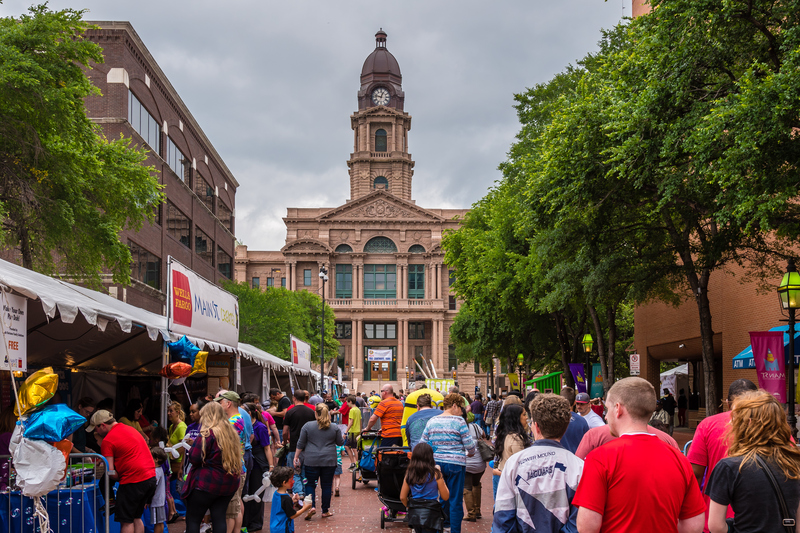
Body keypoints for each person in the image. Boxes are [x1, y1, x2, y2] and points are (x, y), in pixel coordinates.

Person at [573, 377, 705, 533]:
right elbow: (694, 526)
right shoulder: (679, 459)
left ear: (618, 409)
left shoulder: (599, 458)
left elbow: (587, 527)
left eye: (607, 410)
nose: (606, 417)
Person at [705, 390, 800, 533]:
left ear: (748, 423)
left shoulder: (729, 467)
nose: (730, 423)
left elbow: (716, 526)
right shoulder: (793, 461)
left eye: (735, 418)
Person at [493, 394, 584, 533]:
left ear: (536, 426)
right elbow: (578, 520)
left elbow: (503, 516)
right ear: (565, 428)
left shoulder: (514, 463)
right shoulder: (578, 466)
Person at [687, 378, 758, 533]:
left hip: (716, 517)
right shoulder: (774, 426)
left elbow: (695, 474)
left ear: (727, 403)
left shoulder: (708, 425)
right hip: (762, 519)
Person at [87, 409, 156, 533]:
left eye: (95, 428)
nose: (95, 432)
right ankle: (111, 502)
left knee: (126, 521)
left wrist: (120, 477)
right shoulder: (130, 429)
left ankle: (111, 503)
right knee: (136, 517)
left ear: (102, 425)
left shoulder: (108, 440)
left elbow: (110, 472)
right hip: (150, 478)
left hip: (133, 481)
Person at [419, 393, 476, 533]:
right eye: (461, 408)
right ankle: (455, 530)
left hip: (437, 464)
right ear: (455, 405)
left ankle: (442, 527)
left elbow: (423, 443)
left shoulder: (432, 421)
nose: (462, 411)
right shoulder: (459, 422)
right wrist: (470, 453)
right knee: (455, 500)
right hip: (456, 464)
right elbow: (470, 446)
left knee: (442, 497)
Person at [182, 402, 242, 533]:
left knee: (193, 519)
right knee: (219, 517)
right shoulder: (231, 433)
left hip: (207, 482)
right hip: (229, 482)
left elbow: (194, 457)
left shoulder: (207, 433)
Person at [295, 404, 344, 519]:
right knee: (326, 486)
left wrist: (296, 457)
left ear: (315, 413)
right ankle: (325, 510)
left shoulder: (307, 426)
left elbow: (300, 443)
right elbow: (340, 443)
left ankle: (310, 506)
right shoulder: (334, 427)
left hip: (311, 459)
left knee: (310, 484)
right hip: (329, 460)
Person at [214, 390, 247, 533]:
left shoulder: (234, 421)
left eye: (220, 403)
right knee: (235, 506)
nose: (218, 406)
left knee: (231, 510)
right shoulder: (235, 419)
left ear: (228, 404)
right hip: (236, 467)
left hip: (233, 469)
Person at [400, 442, 450, 533]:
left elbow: (402, 497)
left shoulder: (409, 473)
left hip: (415, 514)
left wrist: (409, 506)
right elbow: (445, 496)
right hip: (431, 513)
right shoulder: (435, 473)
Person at [575, 419, 679, 459]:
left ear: (618, 408)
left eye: (608, 408)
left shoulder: (594, 435)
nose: (606, 417)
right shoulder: (669, 440)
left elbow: (577, 471)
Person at [244, 402, 274, 532]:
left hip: (258, 464)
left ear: (249, 413)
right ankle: (245, 521)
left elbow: (267, 448)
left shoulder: (260, 427)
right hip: (248, 463)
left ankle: (255, 522)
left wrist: (271, 466)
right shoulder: (244, 426)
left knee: (256, 492)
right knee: (246, 492)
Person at [491, 404, 531, 499]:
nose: (526, 418)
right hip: (511, 482)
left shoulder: (505, 434)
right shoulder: (516, 439)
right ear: (516, 418)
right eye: (524, 415)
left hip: (504, 476)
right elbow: (521, 466)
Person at [283, 390, 316, 497]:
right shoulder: (311, 412)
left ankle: (299, 492)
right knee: (306, 472)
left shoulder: (290, 411)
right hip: (309, 447)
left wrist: (285, 442)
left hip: (294, 446)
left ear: (294, 398)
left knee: (295, 471)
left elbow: (284, 431)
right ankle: (306, 492)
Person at [269, 466, 313, 533]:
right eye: (291, 479)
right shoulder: (286, 498)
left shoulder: (276, 494)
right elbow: (292, 515)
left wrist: (292, 501)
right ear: (284, 483)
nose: (293, 481)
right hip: (283, 529)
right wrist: (304, 508)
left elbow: (281, 506)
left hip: (275, 527)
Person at [167, 401, 188, 523]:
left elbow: (183, 446)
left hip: (179, 462)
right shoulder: (171, 427)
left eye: (171, 411)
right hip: (172, 462)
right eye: (168, 411)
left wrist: (174, 456)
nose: (169, 413)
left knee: (178, 488)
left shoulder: (182, 427)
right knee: (173, 489)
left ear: (178, 413)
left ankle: (184, 511)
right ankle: (177, 511)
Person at [463, 413, 486, 522]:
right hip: (480, 463)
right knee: (476, 484)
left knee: (467, 487)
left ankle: (471, 514)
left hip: (467, 463)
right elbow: (484, 435)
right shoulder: (476, 427)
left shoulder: (460, 428)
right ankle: (477, 510)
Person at [558, 387, 590, 454]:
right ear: (575, 402)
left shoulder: (554, 420)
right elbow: (587, 445)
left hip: (560, 460)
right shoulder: (582, 421)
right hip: (577, 460)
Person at [150, 447, 169, 533]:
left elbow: (153, 486)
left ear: (156, 459)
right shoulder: (160, 469)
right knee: (160, 522)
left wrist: (147, 499)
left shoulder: (156, 471)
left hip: (156, 501)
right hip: (160, 500)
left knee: (157, 523)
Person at [344, 395, 361, 470]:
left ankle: (355, 464)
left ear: (350, 401)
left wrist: (345, 432)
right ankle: (355, 463)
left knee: (351, 448)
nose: (347, 404)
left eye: (347, 402)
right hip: (357, 430)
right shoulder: (358, 409)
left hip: (353, 431)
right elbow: (360, 421)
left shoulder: (352, 410)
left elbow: (351, 422)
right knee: (354, 448)